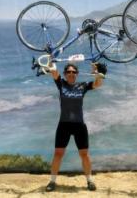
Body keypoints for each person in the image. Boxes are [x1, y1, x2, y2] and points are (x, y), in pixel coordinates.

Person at [45, 62, 107, 192]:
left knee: (84, 154)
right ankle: (52, 181)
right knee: (58, 153)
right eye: (69, 72)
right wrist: (52, 62)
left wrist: (98, 74)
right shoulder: (61, 84)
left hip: (79, 125)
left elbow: (97, 84)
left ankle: (89, 181)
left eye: (74, 72)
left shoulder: (82, 86)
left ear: (77, 74)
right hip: (64, 125)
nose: (71, 74)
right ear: (65, 74)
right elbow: (54, 72)